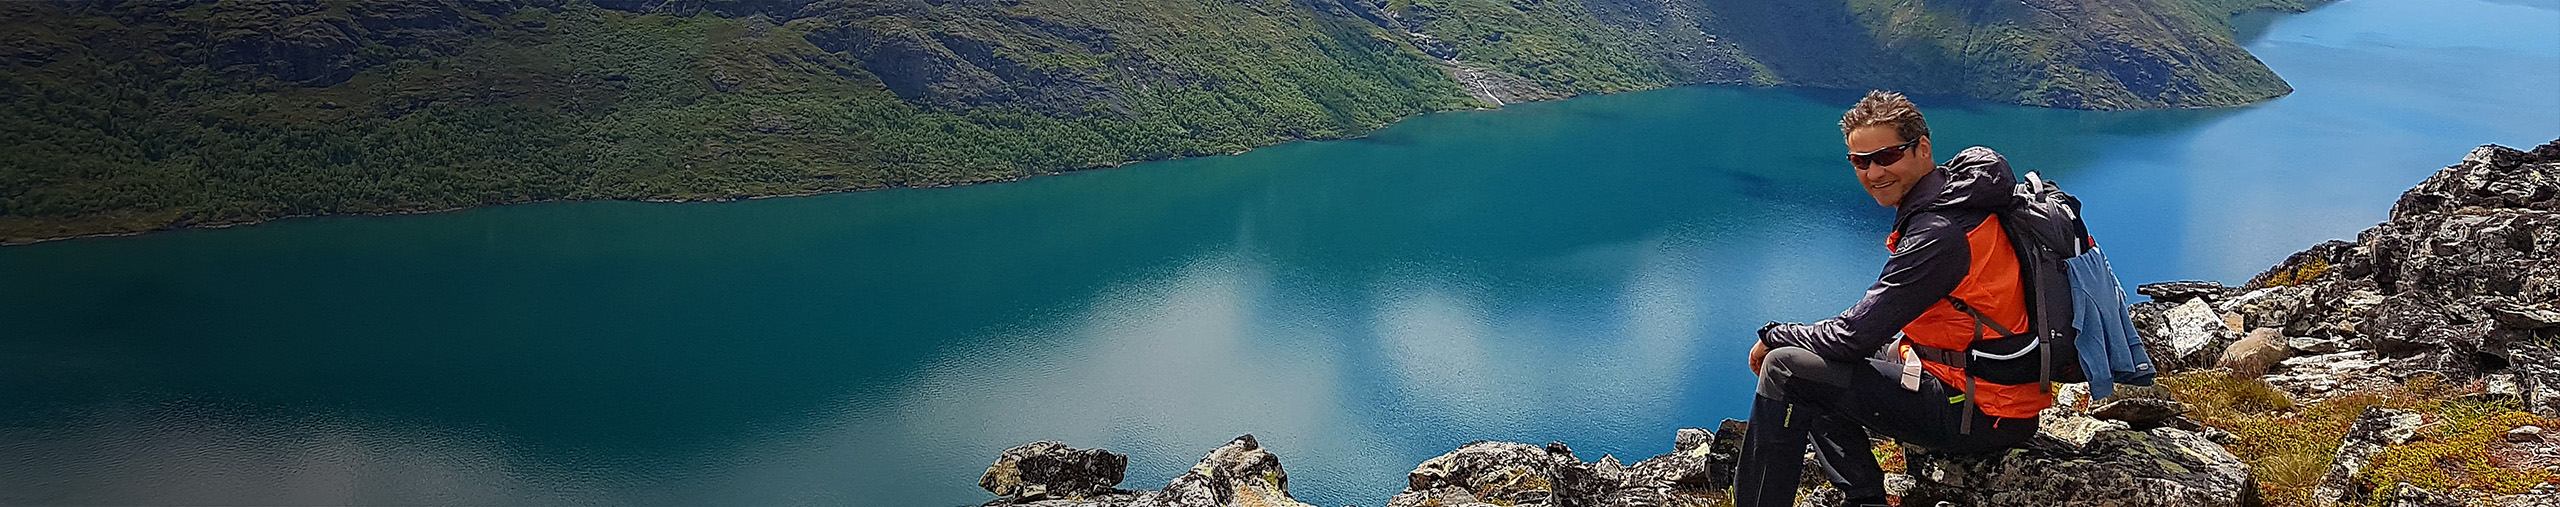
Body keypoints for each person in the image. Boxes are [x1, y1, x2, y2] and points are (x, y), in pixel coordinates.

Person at [1732, 91, 2052, 507]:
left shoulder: (1938, 233)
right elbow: (1859, 333)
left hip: (1978, 411)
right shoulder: (1960, 200)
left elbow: (1852, 337)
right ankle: (1863, 499)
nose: (1873, 173)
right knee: (1816, 361)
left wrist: (1774, 335)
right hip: (1987, 391)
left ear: (1923, 148)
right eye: (1859, 161)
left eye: (1886, 156)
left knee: (1786, 369)